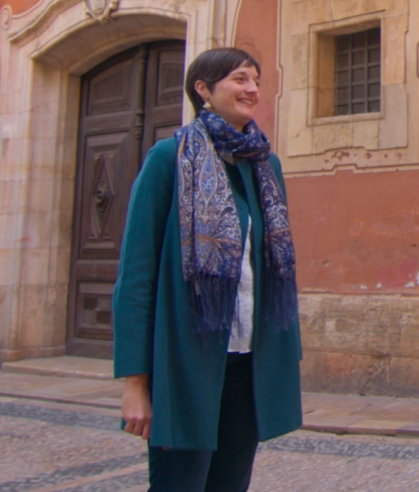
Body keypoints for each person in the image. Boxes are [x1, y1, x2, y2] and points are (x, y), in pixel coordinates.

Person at [112, 47, 303, 492]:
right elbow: (136, 275)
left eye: (255, 79)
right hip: (184, 363)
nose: (252, 89)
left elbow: (273, 270)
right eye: (239, 79)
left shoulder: (264, 166)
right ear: (203, 89)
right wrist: (135, 383)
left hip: (249, 362)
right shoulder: (168, 158)